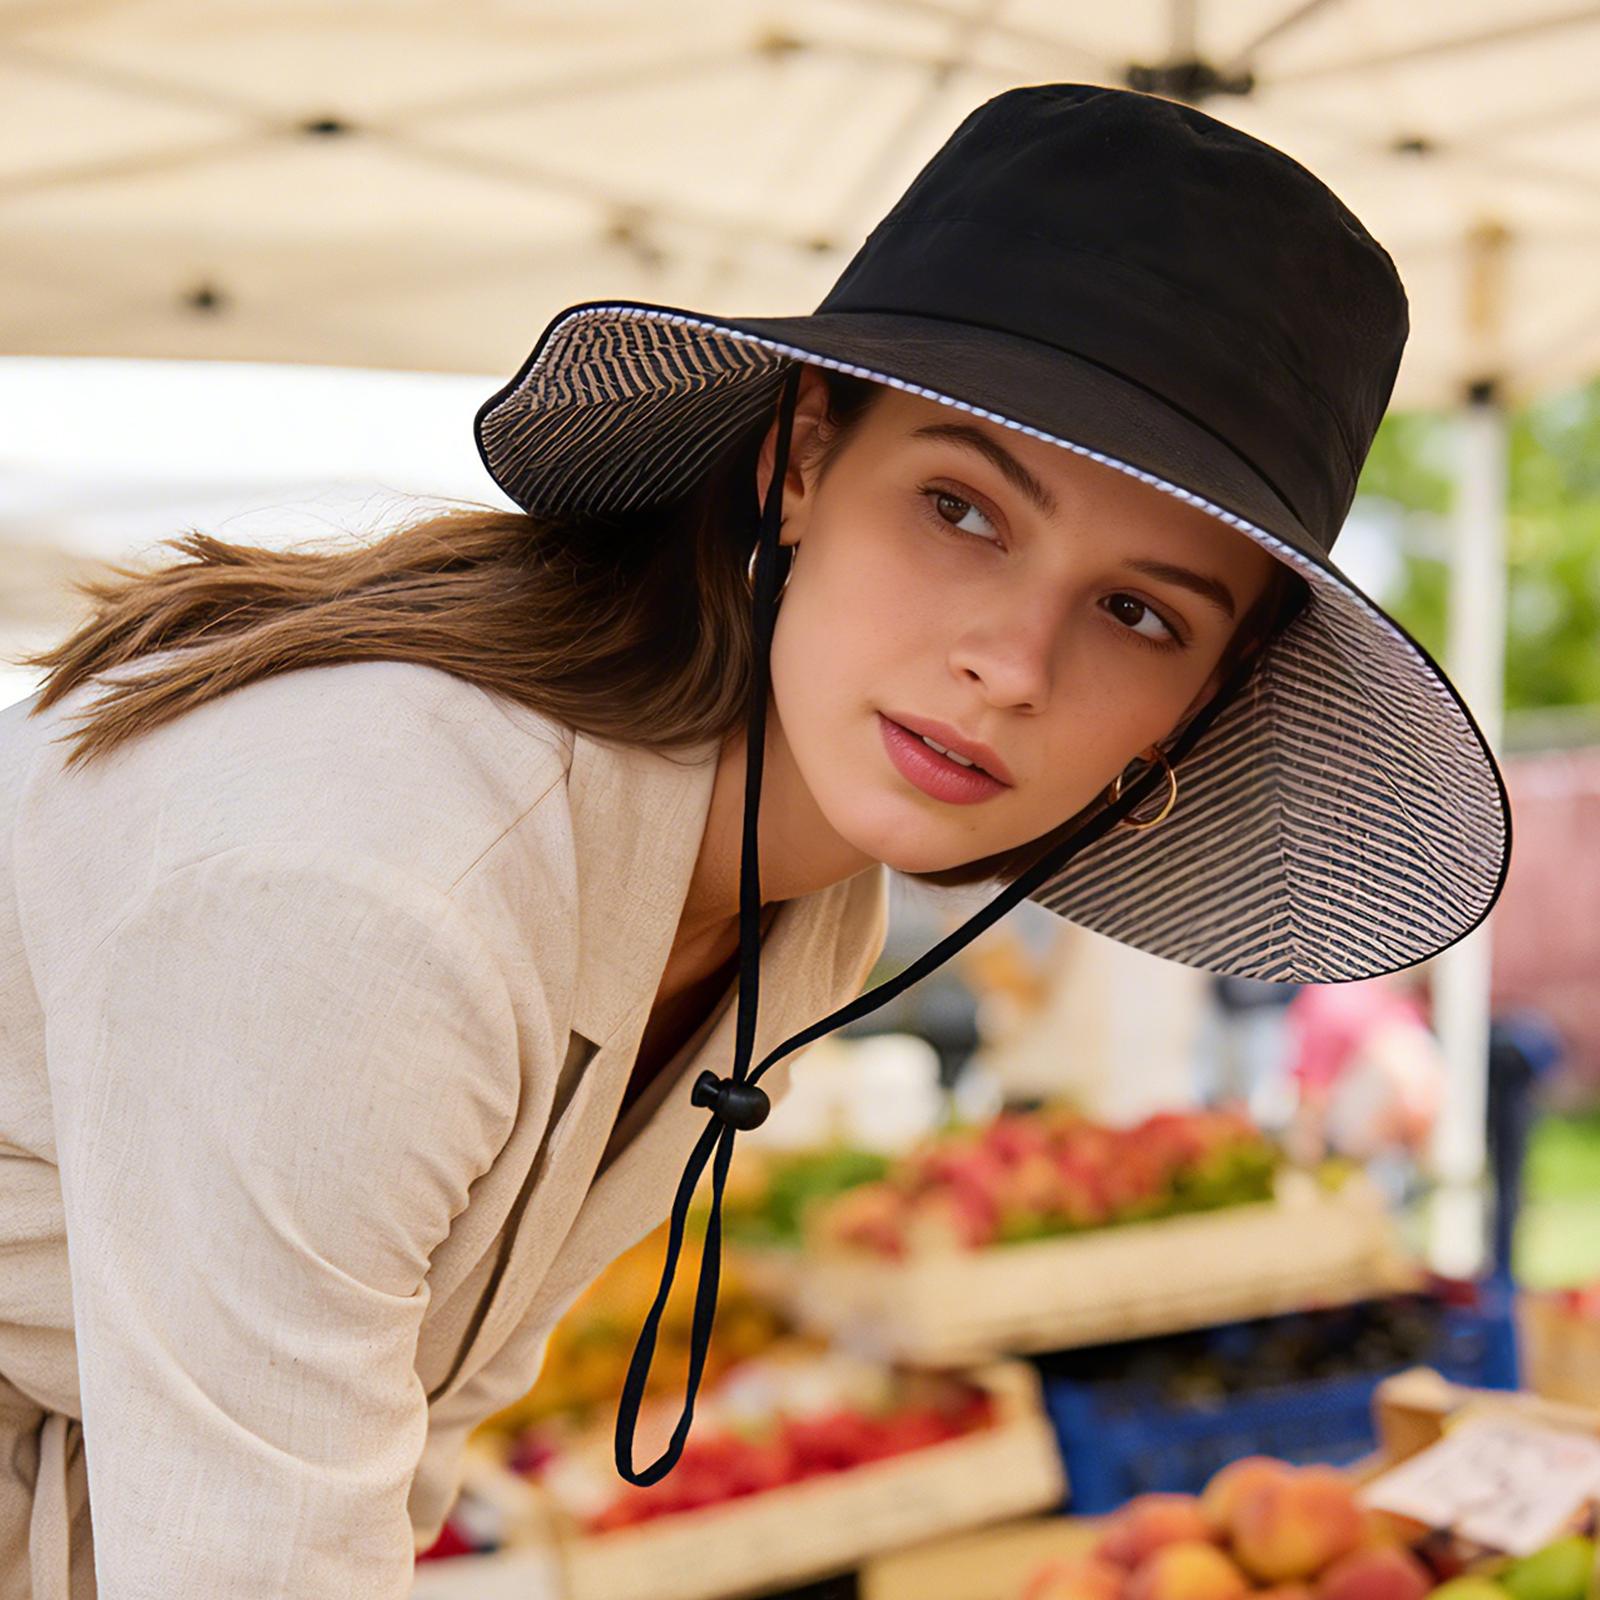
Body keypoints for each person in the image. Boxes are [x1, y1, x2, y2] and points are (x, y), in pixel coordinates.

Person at [0, 82, 1510, 1597]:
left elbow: (374, 1461)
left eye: (1138, 612)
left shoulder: (799, 900)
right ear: (799, 461)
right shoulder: (372, 884)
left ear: (1199, 703)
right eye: (963, 509)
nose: (1015, 664)